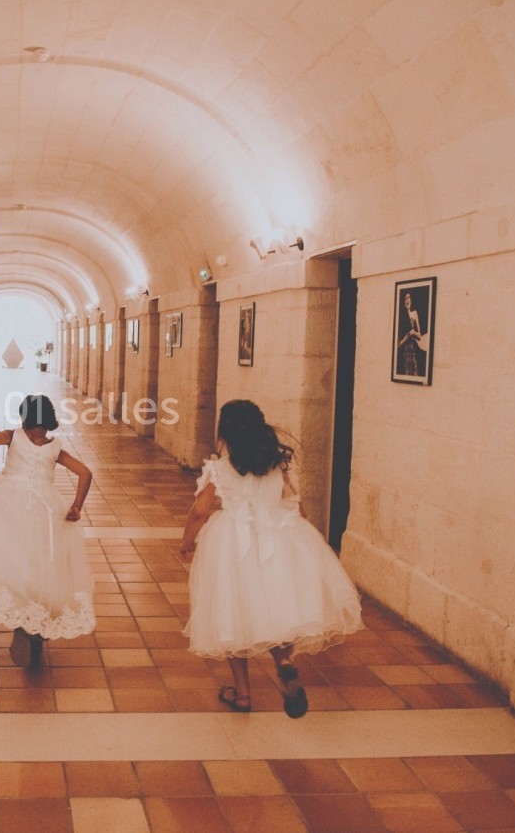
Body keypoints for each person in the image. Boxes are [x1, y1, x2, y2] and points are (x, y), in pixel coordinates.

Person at [178, 400, 362, 716]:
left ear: (226, 433)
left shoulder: (220, 469)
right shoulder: (277, 466)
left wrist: (187, 541)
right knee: (273, 608)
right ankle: (285, 662)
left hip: (233, 545)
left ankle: (243, 694)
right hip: (277, 543)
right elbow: (298, 508)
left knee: (233, 611)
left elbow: (200, 510)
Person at [0, 395, 95, 667]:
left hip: (10, 502)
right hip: (46, 509)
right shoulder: (54, 447)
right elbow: (85, 473)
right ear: (49, 419)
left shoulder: (14, 436)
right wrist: (76, 506)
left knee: (12, 560)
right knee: (45, 565)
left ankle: (25, 622)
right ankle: (36, 622)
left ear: (25, 417)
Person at [397, 292, 424, 376]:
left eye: (408, 297)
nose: (407, 300)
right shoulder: (400, 316)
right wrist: (405, 338)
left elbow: (419, 336)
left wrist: (412, 332)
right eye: (405, 298)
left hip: (413, 350)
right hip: (405, 351)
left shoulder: (414, 313)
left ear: (411, 300)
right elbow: (398, 343)